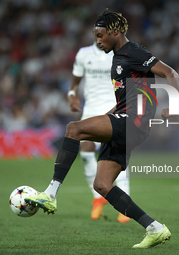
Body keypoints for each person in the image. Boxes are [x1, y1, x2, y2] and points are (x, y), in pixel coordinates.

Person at [25, 9, 179, 248]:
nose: (98, 40)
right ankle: (155, 228)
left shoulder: (134, 52)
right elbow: (124, 101)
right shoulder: (118, 58)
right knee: (102, 184)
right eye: (96, 36)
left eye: (101, 35)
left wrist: (175, 105)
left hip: (134, 122)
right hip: (125, 119)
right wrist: (107, 115)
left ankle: (51, 194)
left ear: (115, 32)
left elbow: (171, 73)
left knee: (73, 129)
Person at [68, 41, 130, 223]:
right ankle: (98, 197)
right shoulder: (84, 54)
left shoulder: (120, 54)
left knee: (117, 154)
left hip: (115, 109)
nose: (100, 36)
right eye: (97, 33)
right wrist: (71, 96)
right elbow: (74, 83)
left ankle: (124, 203)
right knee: (86, 151)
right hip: (91, 111)